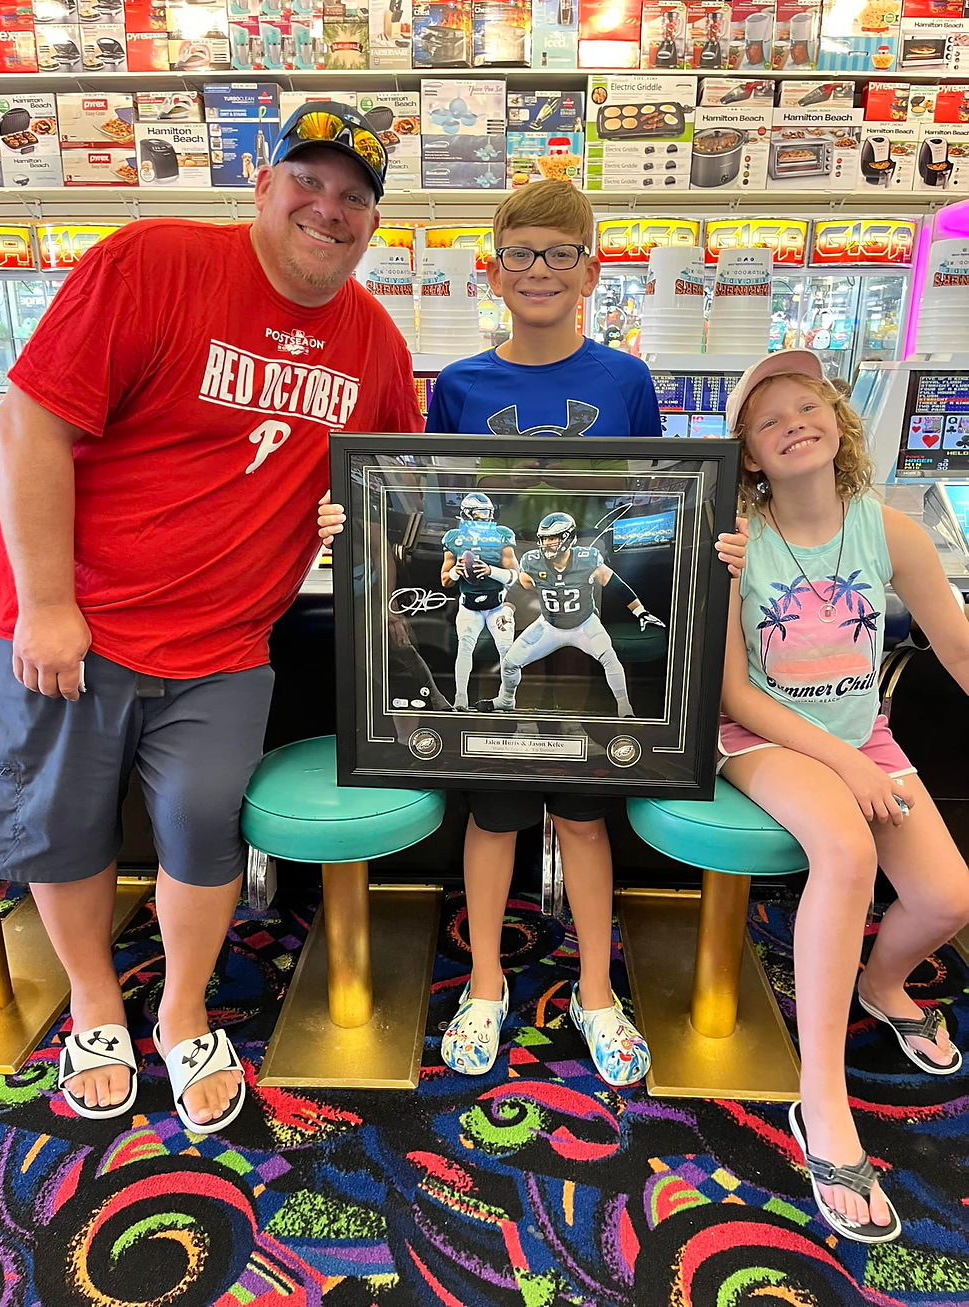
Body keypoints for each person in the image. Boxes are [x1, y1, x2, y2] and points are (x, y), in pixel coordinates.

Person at [0, 101, 423, 1132]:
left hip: (225, 643)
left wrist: (366, 520)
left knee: (197, 821)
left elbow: (403, 486)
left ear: (372, 223)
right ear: (261, 187)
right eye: (307, 183)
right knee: (61, 827)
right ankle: (97, 1002)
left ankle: (182, 1008)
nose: (329, 209)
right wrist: (49, 604)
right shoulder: (151, 260)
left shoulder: (372, 341)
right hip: (70, 621)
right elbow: (32, 423)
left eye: (354, 197)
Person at [319, 180, 748, 1089]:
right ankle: (483, 982)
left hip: (579, 625)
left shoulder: (626, 379)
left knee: (584, 818)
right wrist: (356, 533)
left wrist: (714, 539)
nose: (540, 270)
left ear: (591, 269)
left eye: (560, 254)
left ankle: (595, 989)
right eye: (521, 253)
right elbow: (424, 515)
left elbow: (654, 504)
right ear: (495, 268)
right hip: (511, 614)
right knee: (492, 812)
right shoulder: (465, 384)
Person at [720, 349, 969, 1243]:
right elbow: (733, 695)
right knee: (849, 848)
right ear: (749, 451)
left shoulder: (889, 527)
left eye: (807, 404)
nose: (793, 420)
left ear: (837, 420)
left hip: (865, 735)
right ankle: (820, 1096)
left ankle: (881, 980)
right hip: (760, 739)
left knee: (946, 894)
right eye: (768, 416)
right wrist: (847, 766)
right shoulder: (738, 538)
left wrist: (862, 759)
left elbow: (957, 645)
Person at [486, 509, 665, 718]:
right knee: (509, 663)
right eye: (543, 538)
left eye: (552, 538)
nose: (546, 543)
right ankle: (506, 701)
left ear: (567, 538)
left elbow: (614, 583)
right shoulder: (533, 561)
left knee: (609, 657)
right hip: (548, 625)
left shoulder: (586, 559)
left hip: (584, 624)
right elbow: (519, 587)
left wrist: (640, 612)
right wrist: (507, 611)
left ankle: (625, 708)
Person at [440, 492, 520, 711]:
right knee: (464, 648)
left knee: (507, 652)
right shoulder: (454, 537)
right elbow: (445, 581)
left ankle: (507, 698)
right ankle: (461, 699)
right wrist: (457, 572)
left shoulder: (501, 535)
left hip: (497, 605)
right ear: (467, 513)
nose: (485, 518)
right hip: (469, 606)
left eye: (488, 513)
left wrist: (490, 570)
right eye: (480, 513)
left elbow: (516, 575)